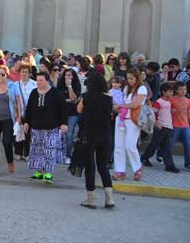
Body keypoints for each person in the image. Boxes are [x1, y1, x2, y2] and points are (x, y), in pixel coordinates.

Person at [76, 71, 115, 208]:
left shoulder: (86, 97)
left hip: (89, 134)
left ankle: (91, 199)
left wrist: (83, 99)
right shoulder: (109, 98)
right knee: (103, 166)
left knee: (90, 166)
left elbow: (79, 110)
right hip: (105, 134)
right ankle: (109, 199)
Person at [23, 72, 67, 185]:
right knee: (37, 150)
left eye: (41, 80)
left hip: (51, 128)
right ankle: (39, 172)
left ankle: (48, 173)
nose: (38, 83)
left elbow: (63, 109)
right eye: (37, 80)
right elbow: (29, 109)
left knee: (49, 150)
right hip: (36, 127)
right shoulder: (34, 93)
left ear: (47, 80)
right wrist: (26, 121)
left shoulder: (55, 93)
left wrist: (64, 123)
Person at [113, 69, 147, 181]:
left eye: (132, 78)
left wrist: (121, 106)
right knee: (118, 146)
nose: (129, 80)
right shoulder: (126, 88)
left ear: (137, 78)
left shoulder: (141, 89)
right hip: (121, 119)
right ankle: (120, 171)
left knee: (130, 145)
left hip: (133, 120)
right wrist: (116, 106)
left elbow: (135, 104)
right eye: (128, 78)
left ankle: (137, 168)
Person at [140, 82, 179, 173]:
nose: (171, 93)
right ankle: (144, 157)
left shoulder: (169, 102)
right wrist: (156, 123)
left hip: (168, 127)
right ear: (163, 92)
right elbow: (154, 113)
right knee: (154, 145)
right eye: (170, 91)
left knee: (167, 147)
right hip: (160, 127)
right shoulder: (159, 102)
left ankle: (169, 165)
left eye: (172, 92)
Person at [170, 82, 190, 172]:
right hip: (174, 126)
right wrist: (171, 110)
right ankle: (162, 155)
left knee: (188, 145)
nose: (183, 91)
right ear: (176, 90)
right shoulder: (171, 99)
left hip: (186, 126)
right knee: (170, 144)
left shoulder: (188, 101)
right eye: (181, 89)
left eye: (185, 89)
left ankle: (189, 163)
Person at [57, 68, 82, 164]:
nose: (67, 77)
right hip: (61, 113)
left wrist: (69, 86)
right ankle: (60, 155)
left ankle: (68, 155)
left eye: (70, 75)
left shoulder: (76, 86)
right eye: (66, 75)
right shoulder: (60, 86)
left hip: (72, 113)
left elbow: (74, 98)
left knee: (69, 135)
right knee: (60, 135)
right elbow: (60, 99)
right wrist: (69, 100)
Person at [15, 64, 37, 160]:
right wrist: (17, 114)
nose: (24, 74)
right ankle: (18, 152)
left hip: (31, 113)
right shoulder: (16, 85)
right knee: (18, 132)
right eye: (22, 71)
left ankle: (27, 153)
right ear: (19, 73)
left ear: (29, 73)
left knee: (28, 133)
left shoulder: (34, 84)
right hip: (19, 112)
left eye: (26, 72)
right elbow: (13, 100)